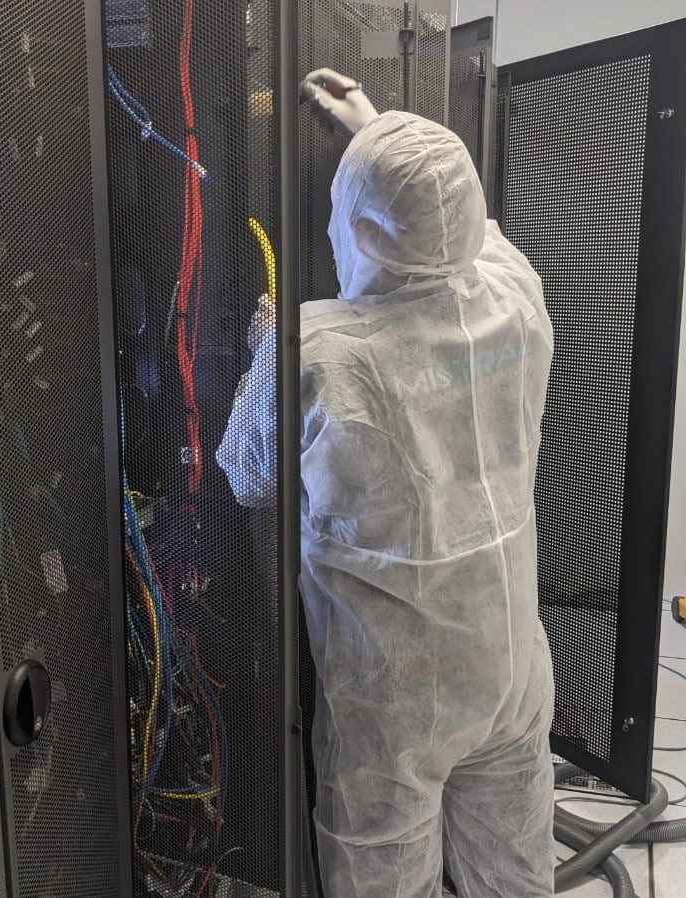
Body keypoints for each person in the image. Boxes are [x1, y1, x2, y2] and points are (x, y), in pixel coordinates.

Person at [217, 69, 556, 898]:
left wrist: (266, 347)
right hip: (512, 669)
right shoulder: (517, 297)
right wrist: (377, 128)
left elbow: (245, 475)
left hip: (399, 698)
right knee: (513, 873)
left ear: (357, 227)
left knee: (383, 878)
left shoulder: (317, 352)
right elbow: (457, 230)